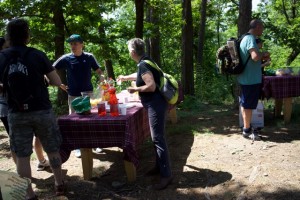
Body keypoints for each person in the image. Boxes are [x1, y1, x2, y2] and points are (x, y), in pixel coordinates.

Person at [0, 18, 65, 199]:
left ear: (9, 36)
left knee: (22, 156)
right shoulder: (37, 54)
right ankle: (59, 184)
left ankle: (29, 195)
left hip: (16, 112)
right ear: (27, 35)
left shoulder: (2, 57)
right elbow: (56, 81)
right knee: (52, 149)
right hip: (42, 110)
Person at [117, 38, 172, 190]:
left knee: (158, 139)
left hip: (156, 104)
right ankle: (158, 167)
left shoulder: (143, 64)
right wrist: (125, 77)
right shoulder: (146, 61)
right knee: (157, 138)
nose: (129, 52)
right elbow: (141, 74)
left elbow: (151, 86)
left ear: (133, 52)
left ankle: (166, 175)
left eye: (129, 50)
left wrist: (135, 90)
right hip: (157, 103)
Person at [0, 36, 51, 171]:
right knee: (15, 142)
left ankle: (36, 163)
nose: (9, 47)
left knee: (20, 141)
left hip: (16, 107)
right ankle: (23, 172)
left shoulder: (14, 58)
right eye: (6, 46)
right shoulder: (5, 59)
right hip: (9, 107)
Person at [53, 34, 103, 158]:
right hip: (73, 95)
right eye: (71, 44)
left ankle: (94, 143)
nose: (72, 46)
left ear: (82, 44)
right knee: (74, 121)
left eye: (75, 43)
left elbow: (98, 70)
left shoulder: (89, 57)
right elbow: (51, 69)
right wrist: (59, 84)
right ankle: (77, 147)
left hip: (88, 94)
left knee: (90, 119)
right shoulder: (66, 58)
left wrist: (101, 78)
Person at [238, 19, 270, 140]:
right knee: (249, 105)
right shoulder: (250, 39)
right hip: (250, 79)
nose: (262, 30)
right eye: (262, 27)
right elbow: (255, 57)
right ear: (257, 26)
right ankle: (246, 130)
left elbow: (251, 60)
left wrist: (261, 60)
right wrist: (264, 53)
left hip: (245, 77)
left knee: (244, 103)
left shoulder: (244, 38)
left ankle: (246, 126)